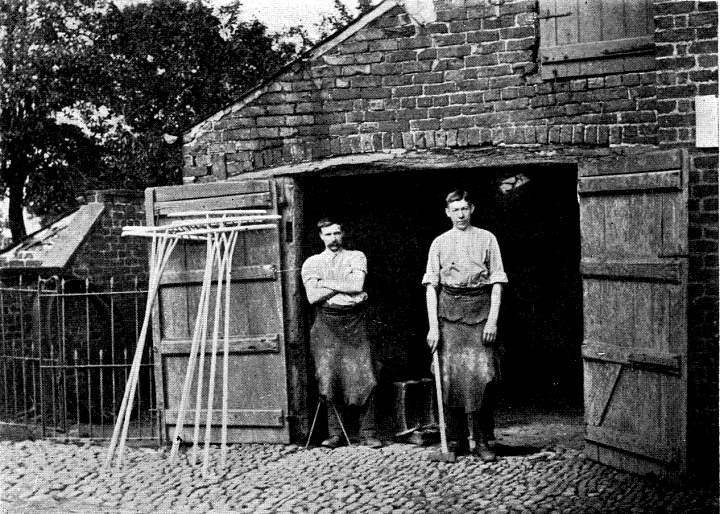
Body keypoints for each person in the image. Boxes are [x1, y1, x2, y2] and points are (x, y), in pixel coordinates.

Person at [422, 190, 508, 462]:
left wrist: (492, 320)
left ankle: (482, 440)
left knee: (482, 377)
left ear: (471, 209)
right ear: (447, 212)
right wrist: (433, 326)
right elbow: (431, 287)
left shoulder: (487, 238)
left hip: (480, 311)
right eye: (454, 210)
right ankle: (457, 440)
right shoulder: (439, 243)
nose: (460, 214)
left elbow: (497, 283)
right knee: (450, 378)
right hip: (449, 314)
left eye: (464, 209)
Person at [301, 218, 382, 449]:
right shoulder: (312, 263)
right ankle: (336, 433)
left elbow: (357, 285)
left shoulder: (356, 256)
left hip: (354, 322)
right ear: (320, 236)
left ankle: (368, 432)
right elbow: (312, 297)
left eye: (337, 233)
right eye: (328, 234)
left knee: (365, 374)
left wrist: (325, 283)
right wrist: (343, 285)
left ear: (343, 233)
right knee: (329, 376)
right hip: (326, 323)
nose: (333, 239)